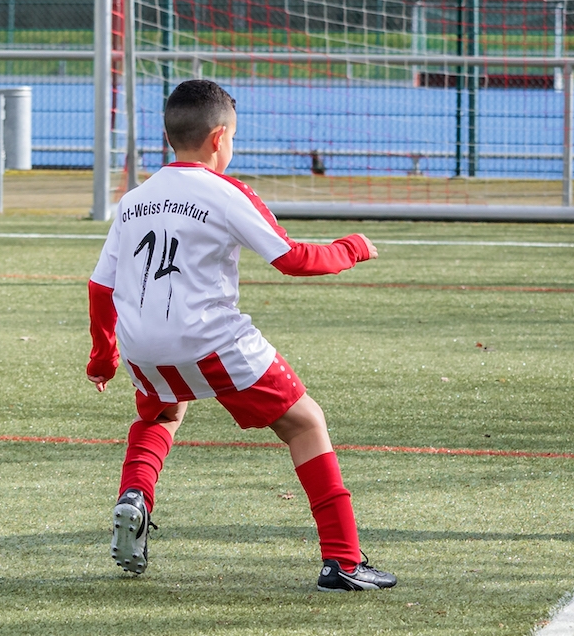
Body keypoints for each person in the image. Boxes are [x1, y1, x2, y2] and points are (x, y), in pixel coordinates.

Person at [86, 79, 398, 589]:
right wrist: (352, 247)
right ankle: (343, 562)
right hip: (211, 341)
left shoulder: (134, 200)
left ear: (170, 137)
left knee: (163, 413)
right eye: (232, 138)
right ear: (218, 138)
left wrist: (104, 358)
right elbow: (293, 258)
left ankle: (135, 495)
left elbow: (101, 287)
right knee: (306, 423)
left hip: (142, 344)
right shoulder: (227, 192)